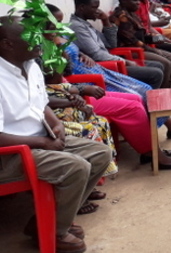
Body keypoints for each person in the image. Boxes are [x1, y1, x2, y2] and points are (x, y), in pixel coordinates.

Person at [0, 17, 112, 253]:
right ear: (7, 44)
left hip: (40, 139)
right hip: (9, 155)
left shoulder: (30, 66)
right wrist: (41, 142)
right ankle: (54, 231)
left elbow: (41, 105)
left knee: (100, 154)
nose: (39, 39)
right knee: (76, 167)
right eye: (30, 36)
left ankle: (48, 221)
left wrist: (56, 126)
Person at [47, 5, 171, 143]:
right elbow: (91, 56)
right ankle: (156, 132)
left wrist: (82, 52)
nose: (60, 25)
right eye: (57, 22)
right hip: (84, 78)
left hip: (94, 69)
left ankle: (167, 127)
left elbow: (102, 45)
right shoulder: (50, 44)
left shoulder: (64, 32)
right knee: (140, 91)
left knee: (145, 87)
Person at [68, 0, 166, 89]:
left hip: (113, 59)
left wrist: (105, 21)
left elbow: (111, 44)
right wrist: (124, 61)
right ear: (82, 7)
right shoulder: (77, 27)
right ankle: (148, 100)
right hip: (104, 66)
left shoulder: (85, 24)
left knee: (159, 65)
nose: (98, 11)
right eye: (94, 7)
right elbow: (96, 54)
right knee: (156, 74)